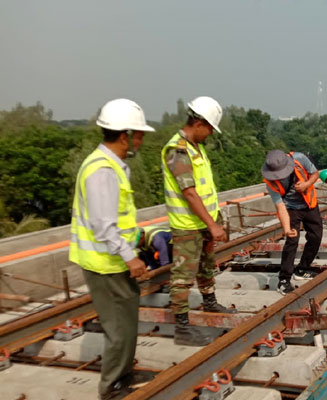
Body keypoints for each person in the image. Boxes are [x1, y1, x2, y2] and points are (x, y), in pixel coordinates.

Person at [69, 98, 155, 399]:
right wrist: (130, 256)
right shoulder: (102, 170)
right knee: (118, 329)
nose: (141, 140)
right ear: (124, 136)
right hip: (105, 264)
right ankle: (112, 387)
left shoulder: (112, 166)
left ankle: (123, 376)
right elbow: (103, 224)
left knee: (126, 322)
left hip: (112, 261)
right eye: (139, 134)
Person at [162, 96, 236, 347]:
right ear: (199, 123)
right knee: (183, 275)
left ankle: (210, 302)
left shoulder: (195, 148)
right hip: (187, 225)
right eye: (210, 129)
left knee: (206, 265)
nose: (210, 135)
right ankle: (182, 327)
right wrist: (212, 225)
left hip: (203, 222)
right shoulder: (177, 149)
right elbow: (189, 192)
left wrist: (213, 220)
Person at [261, 150, 322, 295]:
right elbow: (280, 206)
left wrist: (307, 184)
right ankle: (283, 280)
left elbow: (315, 174)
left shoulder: (300, 159)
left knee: (316, 236)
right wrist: (287, 229)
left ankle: (302, 269)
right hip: (291, 208)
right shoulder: (270, 182)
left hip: (309, 204)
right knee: (292, 241)